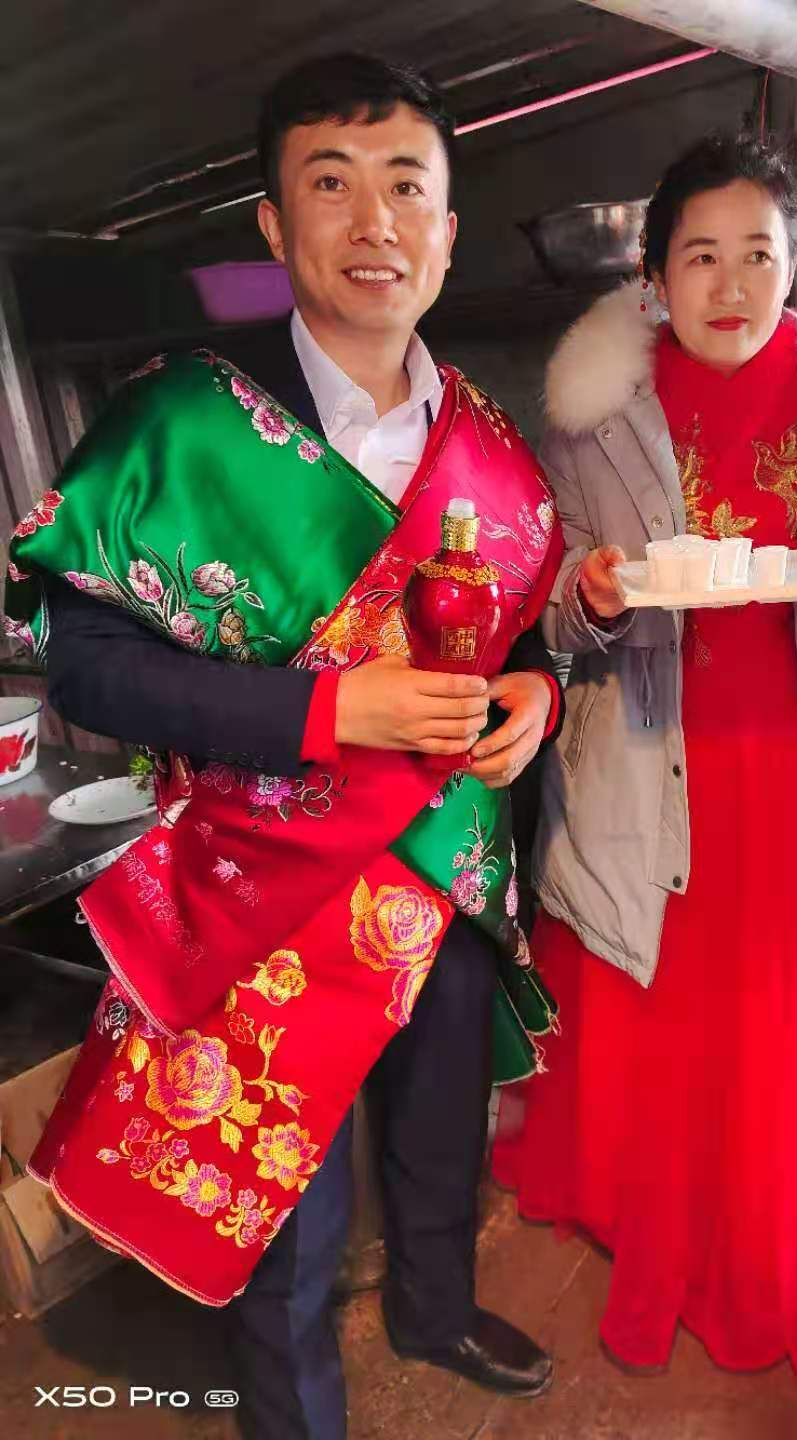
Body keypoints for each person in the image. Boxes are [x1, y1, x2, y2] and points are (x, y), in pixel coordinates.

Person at [5, 54, 563, 1440]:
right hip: (268, 886)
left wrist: (534, 700)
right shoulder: (178, 424)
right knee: (285, 1201)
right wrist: (329, 713)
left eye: (407, 188)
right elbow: (88, 667)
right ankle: (292, 1416)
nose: (376, 222)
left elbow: (524, 639)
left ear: (447, 227)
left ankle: (435, 1311)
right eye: (332, 183)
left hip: (448, 870)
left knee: (440, 1134)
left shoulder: (493, 446)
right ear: (273, 222)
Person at [493, 133, 797, 1385]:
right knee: (674, 1004)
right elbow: (553, 595)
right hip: (652, 754)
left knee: (793, 1009)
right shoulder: (592, 417)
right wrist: (590, 594)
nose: (732, 283)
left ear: (792, 268)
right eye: (701, 256)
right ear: (656, 278)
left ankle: (793, 1225)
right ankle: (673, 1217)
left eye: (759, 254)